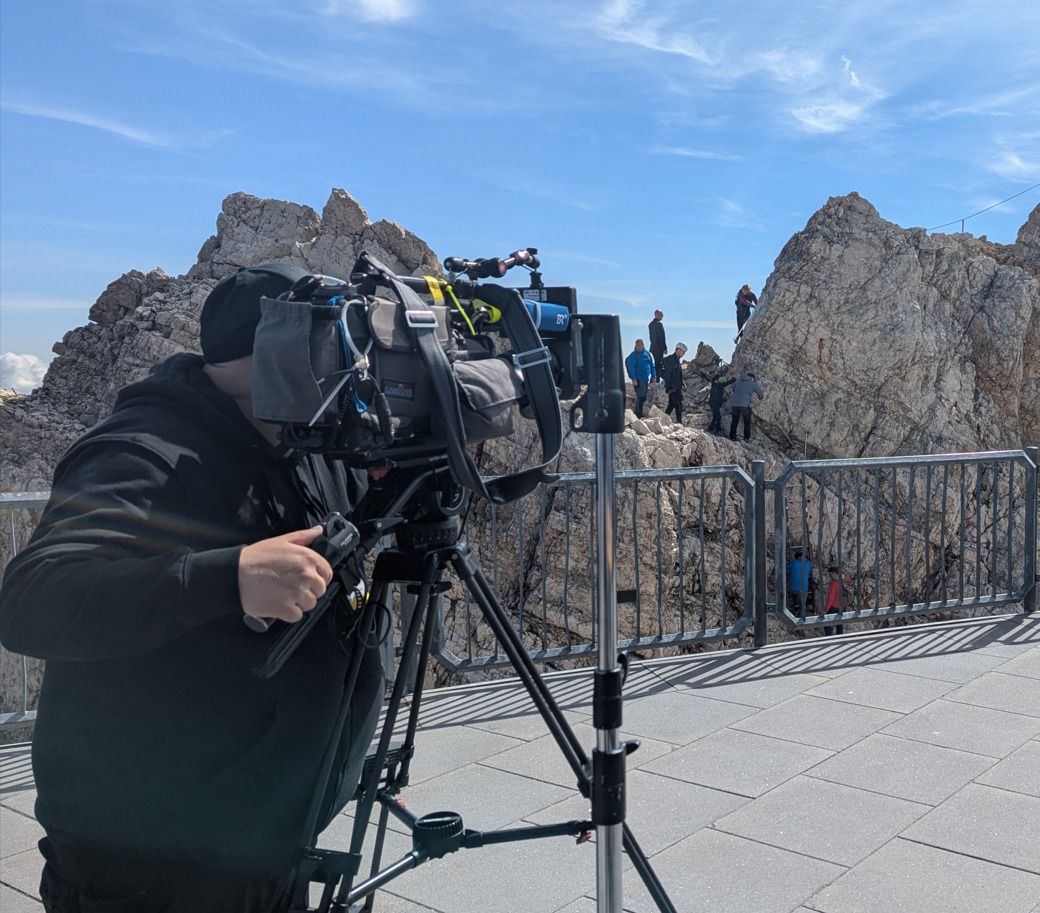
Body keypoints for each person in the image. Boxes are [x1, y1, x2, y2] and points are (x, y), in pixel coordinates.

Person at [0, 263, 386, 912]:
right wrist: (226, 578)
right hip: (144, 869)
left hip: (261, 845)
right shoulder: (143, 449)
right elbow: (30, 599)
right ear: (275, 354)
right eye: (330, 346)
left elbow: (360, 515)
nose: (346, 367)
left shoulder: (301, 438)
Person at [625, 338, 656, 419]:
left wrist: (653, 376)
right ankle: (638, 413)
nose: (638, 347)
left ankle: (639, 412)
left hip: (645, 379)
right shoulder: (633, 355)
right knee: (640, 396)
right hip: (638, 379)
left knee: (644, 396)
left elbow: (652, 365)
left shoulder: (647, 354)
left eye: (640, 345)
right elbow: (631, 367)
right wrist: (634, 379)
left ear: (643, 345)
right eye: (637, 345)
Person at [728, 370, 764, 441]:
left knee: (734, 420)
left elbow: (733, 389)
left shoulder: (738, 381)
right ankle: (746, 438)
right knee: (747, 421)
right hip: (744, 405)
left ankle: (732, 436)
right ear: (752, 378)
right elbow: (761, 395)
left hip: (734, 404)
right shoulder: (753, 383)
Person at [661, 342, 687, 423]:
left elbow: (678, 374)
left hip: (677, 386)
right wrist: (668, 386)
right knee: (679, 405)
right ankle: (679, 422)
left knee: (672, 404)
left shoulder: (677, 360)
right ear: (678, 350)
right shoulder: (671, 359)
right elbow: (667, 373)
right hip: (673, 387)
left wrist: (682, 383)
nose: (683, 354)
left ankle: (663, 420)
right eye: (683, 352)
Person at [823, 564, 852, 635]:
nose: (830, 576)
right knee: (839, 623)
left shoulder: (834, 583)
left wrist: (825, 610)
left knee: (826, 622)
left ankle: (829, 638)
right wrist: (840, 569)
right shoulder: (845, 579)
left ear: (834, 573)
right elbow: (847, 575)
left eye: (831, 574)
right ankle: (840, 637)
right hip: (843, 605)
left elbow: (830, 598)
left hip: (835, 606)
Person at [787, 550, 813, 615]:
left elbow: (785, 567)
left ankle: (796, 607)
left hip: (794, 586)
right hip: (804, 587)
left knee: (795, 598)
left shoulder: (793, 562)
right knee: (803, 604)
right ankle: (802, 618)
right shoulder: (808, 564)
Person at [647, 309, 667, 379]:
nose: (663, 316)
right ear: (657, 315)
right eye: (661, 314)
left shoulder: (650, 324)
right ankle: (656, 379)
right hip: (659, 348)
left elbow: (651, 337)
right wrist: (664, 348)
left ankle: (654, 378)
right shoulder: (659, 324)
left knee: (656, 364)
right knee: (659, 364)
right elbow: (661, 337)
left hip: (653, 348)